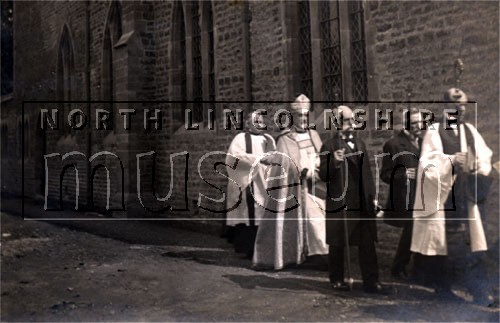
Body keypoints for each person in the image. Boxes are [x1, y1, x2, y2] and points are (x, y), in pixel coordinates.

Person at [411, 88, 493, 304]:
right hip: (445, 197)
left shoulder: (470, 130)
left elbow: (485, 155)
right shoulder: (435, 131)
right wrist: (450, 160)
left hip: (466, 195)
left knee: (474, 242)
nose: (461, 110)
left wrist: (478, 165)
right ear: (446, 107)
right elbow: (427, 163)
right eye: (457, 106)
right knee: (444, 243)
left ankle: (479, 290)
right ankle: (443, 288)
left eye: (464, 106)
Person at [319, 105, 390, 294]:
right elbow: (323, 175)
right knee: (338, 243)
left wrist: (372, 197)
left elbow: (367, 173)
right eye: (345, 121)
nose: (350, 124)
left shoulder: (360, 144)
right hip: (340, 201)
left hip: (361, 201)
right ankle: (337, 279)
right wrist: (334, 162)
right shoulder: (328, 146)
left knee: (367, 242)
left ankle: (371, 281)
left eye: (352, 120)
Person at [252, 94, 328, 270]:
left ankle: (320, 254)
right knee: (312, 219)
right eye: (299, 116)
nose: (303, 119)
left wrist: (321, 167)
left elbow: (323, 155)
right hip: (297, 187)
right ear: (292, 117)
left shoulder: (314, 134)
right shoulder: (285, 138)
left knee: (321, 219)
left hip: (318, 185)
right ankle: (313, 255)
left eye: (305, 116)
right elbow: (285, 163)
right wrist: (303, 172)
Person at [224, 112, 276, 258]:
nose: (259, 124)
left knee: (264, 214)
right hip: (248, 183)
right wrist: (258, 159)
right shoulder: (240, 138)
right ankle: (249, 249)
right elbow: (234, 157)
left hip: (265, 183)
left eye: (261, 121)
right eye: (255, 121)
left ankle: (265, 248)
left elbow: (275, 156)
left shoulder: (268, 139)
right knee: (249, 215)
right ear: (248, 124)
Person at [380, 109, 422, 279]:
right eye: (414, 123)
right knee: (411, 230)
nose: (418, 126)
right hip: (407, 196)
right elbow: (385, 174)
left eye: (420, 122)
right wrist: (402, 175)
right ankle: (399, 266)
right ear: (406, 125)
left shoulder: (426, 142)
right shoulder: (393, 145)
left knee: (420, 231)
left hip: (425, 194)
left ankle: (416, 268)